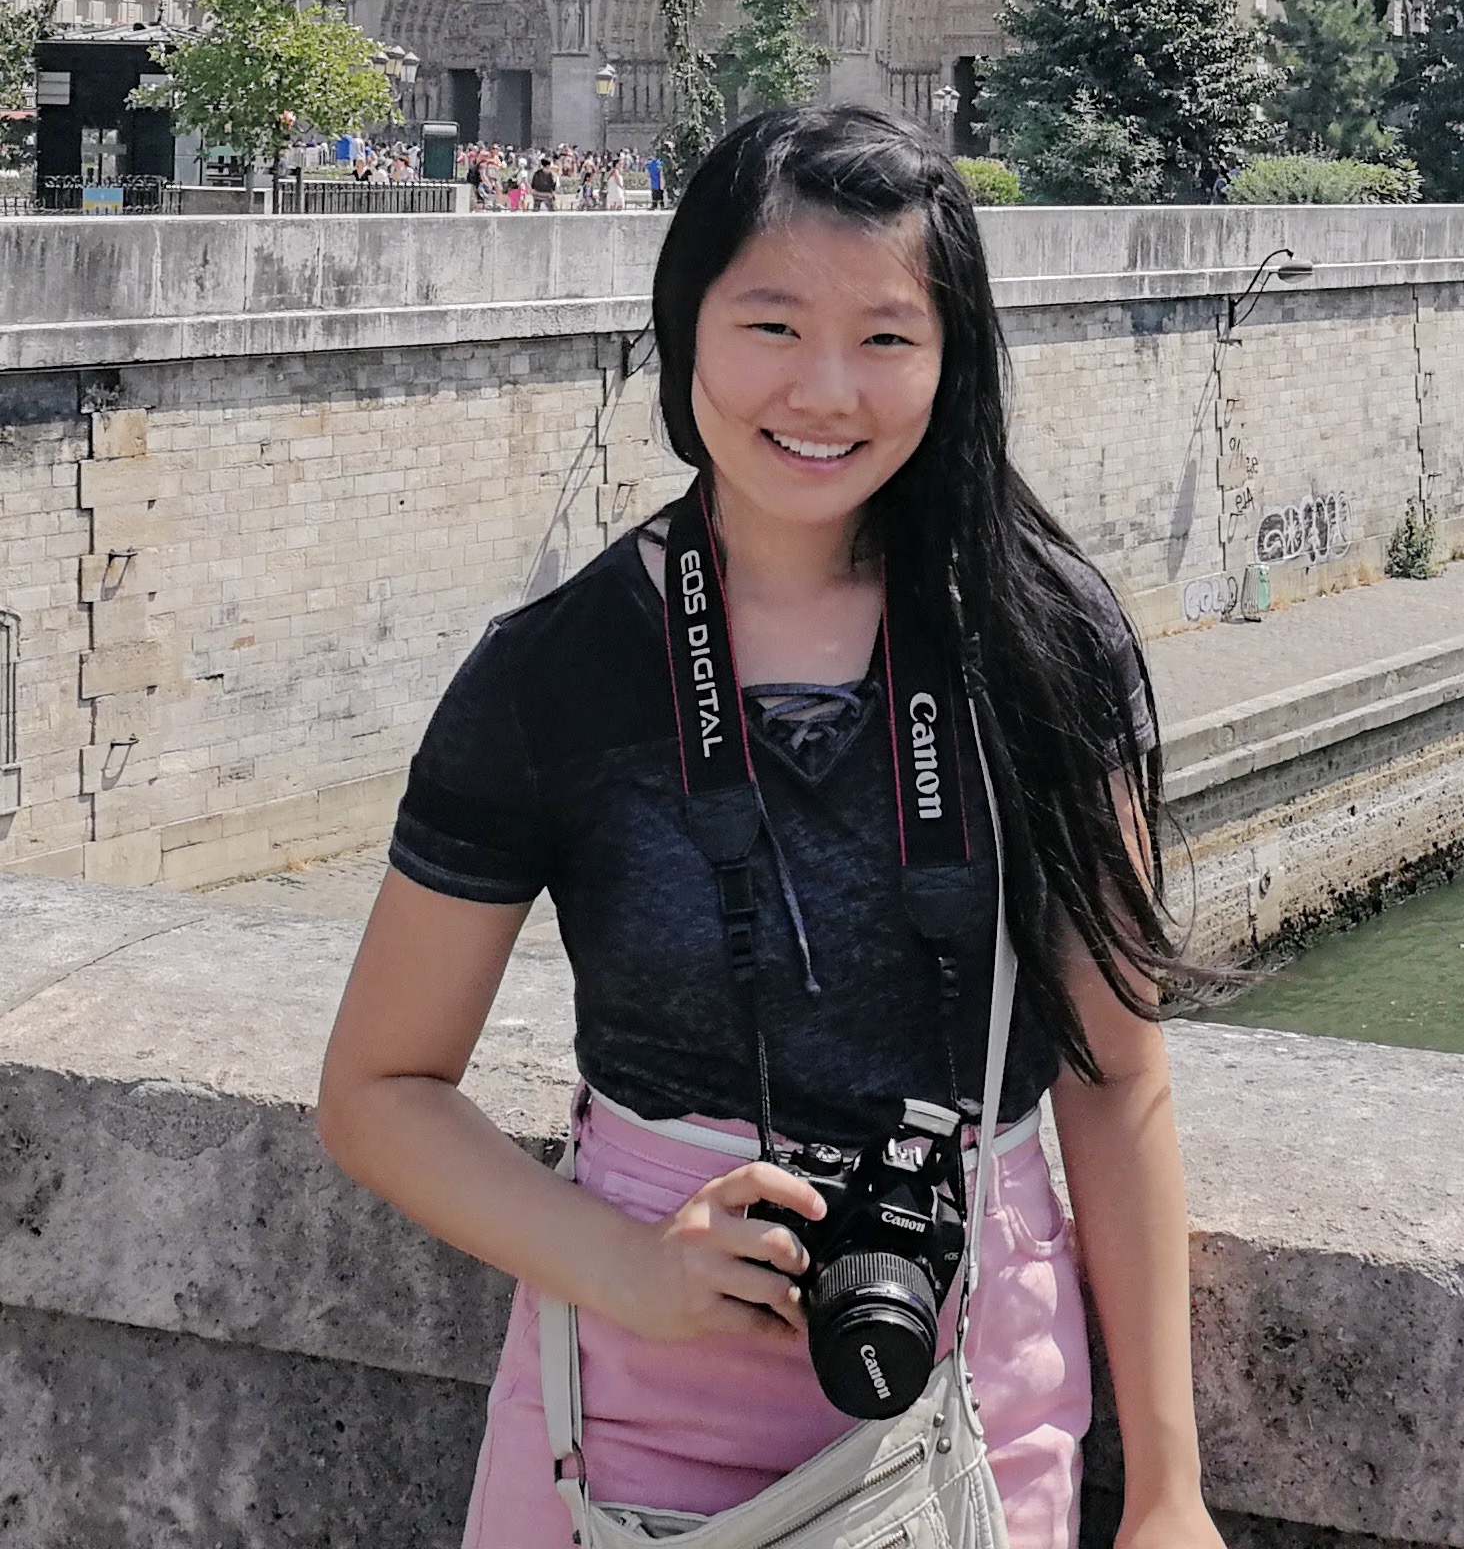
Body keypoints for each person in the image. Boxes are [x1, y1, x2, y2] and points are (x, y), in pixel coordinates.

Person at [318, 107, 1220, 1549]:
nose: (824, 391)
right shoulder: (557, 674)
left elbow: (1115, 1077)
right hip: (628, 1394)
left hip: (965, 1375)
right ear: (684, 327)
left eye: (886, 336)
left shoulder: (1043, 646)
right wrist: (626, 1267)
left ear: (954, 358)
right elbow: (378, 1087)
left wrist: (1168, 1488)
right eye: (772, 325)